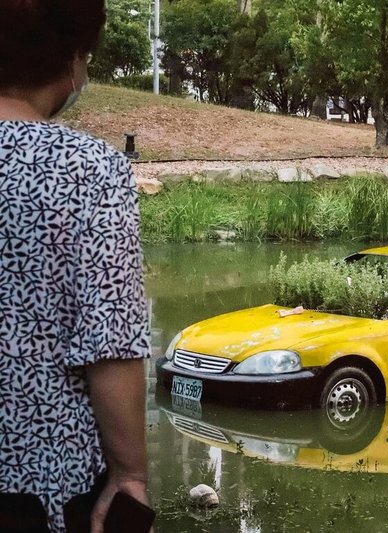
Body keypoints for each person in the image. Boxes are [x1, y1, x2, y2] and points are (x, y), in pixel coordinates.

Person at [0, 1, 152, 532]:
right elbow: (110, 344)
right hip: (43, 486)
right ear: (71, 59)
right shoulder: (88, 169)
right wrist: (130, 474)